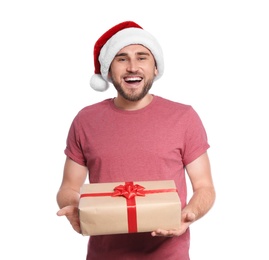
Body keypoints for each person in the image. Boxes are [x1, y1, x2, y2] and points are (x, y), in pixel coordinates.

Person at [56, 20, 216, 260]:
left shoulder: (184, 117)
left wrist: (188, 214)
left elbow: (205, 187)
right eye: (121, 58)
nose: (132, 67)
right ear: (108, 70)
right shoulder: (86, 120)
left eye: (142, 57)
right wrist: (76, 209)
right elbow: (68, 187)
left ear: (155, 68)